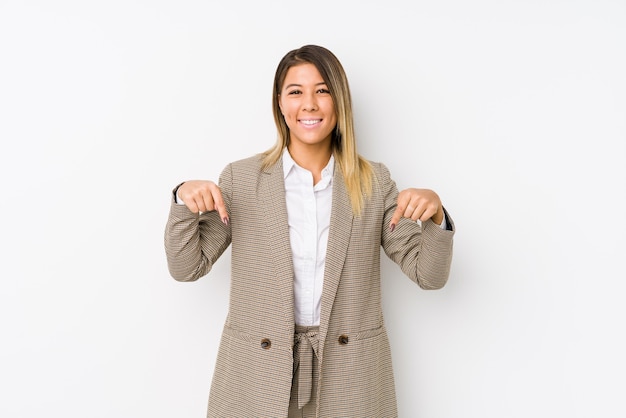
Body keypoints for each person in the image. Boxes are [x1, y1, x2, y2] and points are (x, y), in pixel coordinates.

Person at [164, 44, 454, 418]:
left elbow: (428, 276)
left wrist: (436, 216)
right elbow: (187, 268)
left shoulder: (374, 183)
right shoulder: (241, 179)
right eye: (296, 92)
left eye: (322, 90)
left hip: (351, 375)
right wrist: (183, 200)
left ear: (339, 102)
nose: (310, 104)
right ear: (280, 104)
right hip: (258, 374)